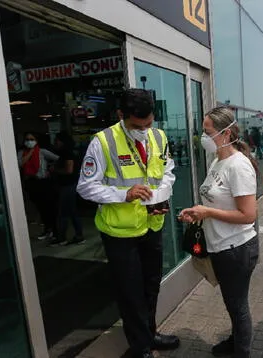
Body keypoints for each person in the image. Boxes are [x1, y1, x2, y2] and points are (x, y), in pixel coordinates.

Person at [76, 89, 179, 358]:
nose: (144, 130)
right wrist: (124, 194)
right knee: (130, 292)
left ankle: (150, 333)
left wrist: (160, 194)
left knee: (151, 285)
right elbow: (85, 187)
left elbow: (167, 172)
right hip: (120, 232)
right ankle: (140, 346)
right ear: (122, 115)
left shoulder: (159, 136)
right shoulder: (103, 141)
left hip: (152, 224)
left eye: (148, 124)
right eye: (137, 125)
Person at [179, 107, 259, 358]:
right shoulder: (218, 160)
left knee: (238, 307)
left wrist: (208, 213)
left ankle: (241, 351)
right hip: (220, 246)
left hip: (236, 249)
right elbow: (215, 201)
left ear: (225, 134)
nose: (202, 137)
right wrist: (197, 212)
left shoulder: (238, 166)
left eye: (207, 131)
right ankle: (234, 341)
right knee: (231, 303)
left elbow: (248, 215)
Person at [18, 132, 59, 240]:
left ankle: (53, 230)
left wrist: (51, 168)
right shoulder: (21, 153)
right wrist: (31, 152)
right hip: (31, 183)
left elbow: (58, 159)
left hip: (43, 182)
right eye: (27, 139)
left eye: (32, 139)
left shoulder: (42, 152)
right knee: (40, 208)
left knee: (48, 207)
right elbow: (21, 163)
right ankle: (47, 229)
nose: (29, 141)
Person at [48, 132, 84, 246]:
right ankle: (78, 235)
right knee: (72, 211)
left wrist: (55, 170)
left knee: (63, 213)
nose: (55, 142)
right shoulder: (70, 152)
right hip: (71, 184)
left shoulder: (67, 153)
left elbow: (69, 170)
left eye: (57, 140)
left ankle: (61, 237)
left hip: (68, 185)